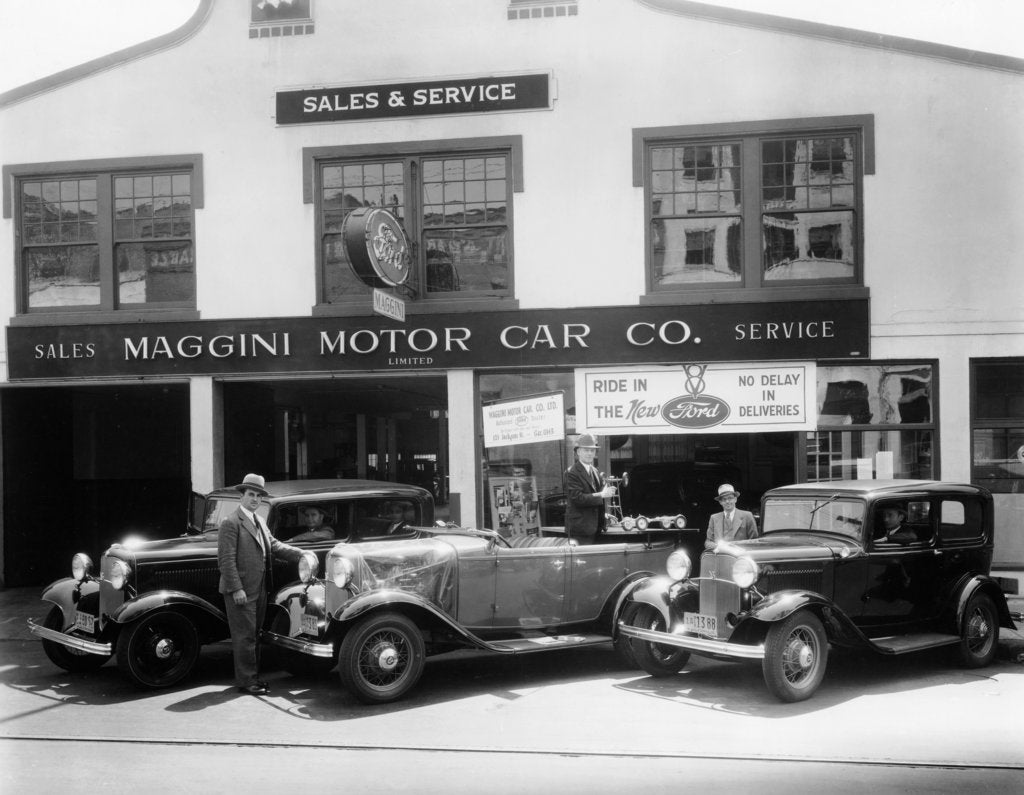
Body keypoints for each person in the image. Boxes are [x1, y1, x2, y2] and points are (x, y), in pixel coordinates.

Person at [217, 473, 303, 696]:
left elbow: (274, 545)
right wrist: (237, 589)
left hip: (259, 589)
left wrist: (301, 554)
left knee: (254, 635)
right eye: (251, 494)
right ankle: (247, 681)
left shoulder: (259, 521)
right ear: (242, 496)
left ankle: (252, 678)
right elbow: (226, 561)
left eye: (258, 496)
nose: (255, 499)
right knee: (244, 637)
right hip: (242, 590)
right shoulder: (230, 523)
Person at [564, 433, 616, 545]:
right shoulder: (571, 472)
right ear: (578, 452)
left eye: (592, 450)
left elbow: (595, 499)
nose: (589, 453)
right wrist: (602, 494)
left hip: (596, 528)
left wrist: (604, 515)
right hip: (580, 530)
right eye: (586, 450)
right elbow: (578, 498)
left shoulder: (595, 471)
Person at [705, 483, 759, 549]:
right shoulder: (714, 518)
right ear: (720, 502)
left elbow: (755, 541)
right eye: (724, 499)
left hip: (741, 554)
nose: (727, 501)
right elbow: (708, 542)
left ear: (735, 499)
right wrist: (719, 547)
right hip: (721, 554)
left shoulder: (747, 516)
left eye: (730, 498)